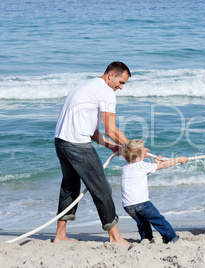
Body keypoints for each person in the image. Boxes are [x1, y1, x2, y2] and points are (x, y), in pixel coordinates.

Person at [54, 61, 132, 247]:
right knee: (102, 188)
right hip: (77, 145)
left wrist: (112, 146)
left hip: (61, 141)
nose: (120, 88)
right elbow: (111, 129)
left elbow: (91, 130)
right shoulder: (105, 92)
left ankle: (60, 236)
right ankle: (115, 238)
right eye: (121, 82)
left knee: (69, 186)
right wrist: (131, 146)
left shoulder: (85, 86)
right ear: (111, 74)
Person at [121, 139, 188, 244]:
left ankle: (146, 239)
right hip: (142, 203)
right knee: (159, 220)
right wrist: (179, 159)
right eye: (143, 150)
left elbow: (140, 174)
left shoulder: (125, 166)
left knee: (142, 223)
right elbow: (163, 165)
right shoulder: (141, 165)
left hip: (128, 205)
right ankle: (172, 238)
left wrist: (152, 162)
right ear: (137, 157)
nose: (146, 150)